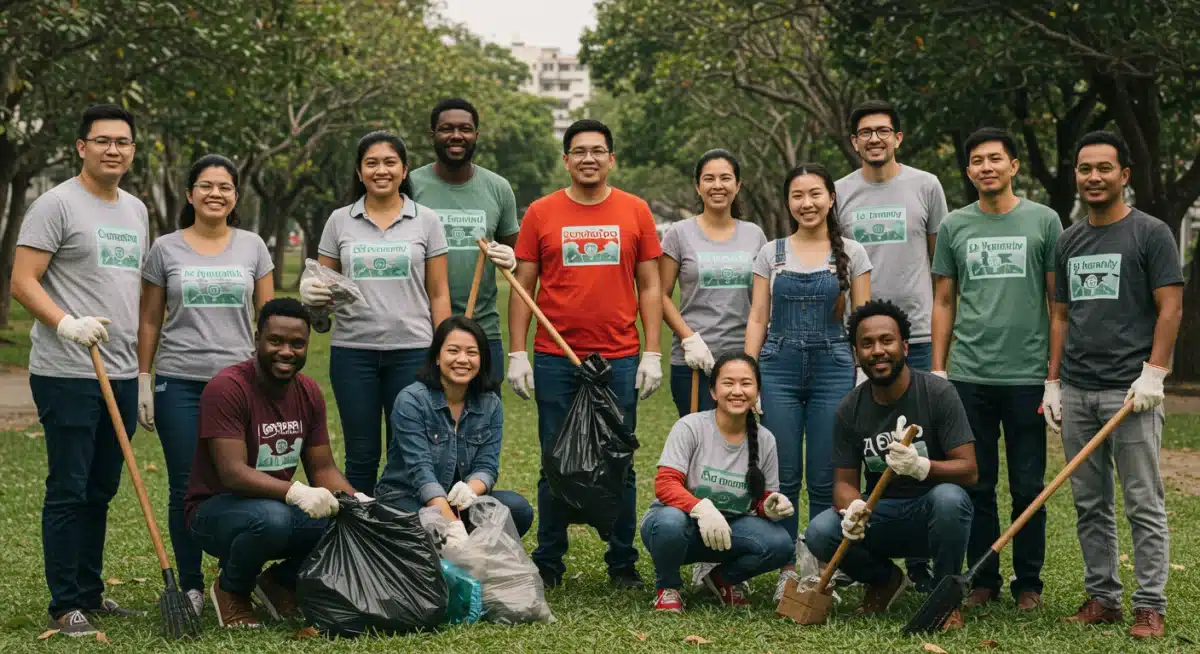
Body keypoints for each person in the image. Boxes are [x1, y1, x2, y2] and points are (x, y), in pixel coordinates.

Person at [507, 119, 664, 590]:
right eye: (579, 151)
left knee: (619, 457)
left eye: (598, 150)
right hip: (556, 357)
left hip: (618, 356)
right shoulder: (540, 212)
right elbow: (522, 286)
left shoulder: (635, 210)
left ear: (612, 159)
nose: (589, 158)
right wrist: (518, 352)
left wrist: (652, 351)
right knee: (554, 459)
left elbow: (652, 286)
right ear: (566, 160)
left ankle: (622, 563)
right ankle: (548, 563)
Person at [11, 104, 149, 636]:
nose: (113, 149)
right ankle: (64, 602)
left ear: (132, 150)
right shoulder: (55, 204)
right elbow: (23, 281)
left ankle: (90, 593)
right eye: (103, 141)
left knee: (101, 487)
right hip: (66, 370)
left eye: (123, 142)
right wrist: (66, 323)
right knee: (69, 487)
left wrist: (139, 373)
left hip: (115, 370)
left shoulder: (135, 210)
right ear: (81, 147)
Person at [1047, 131, 1182, 639]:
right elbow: (1060, 315)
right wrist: (1053, 382)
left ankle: (1150, 604)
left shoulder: (1151, 233)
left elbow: (1170, 307)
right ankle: (1103, 597)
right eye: (1085, 169)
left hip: (1131, 392)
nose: (1094, 178)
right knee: (1089, 501)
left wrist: (1154, 373)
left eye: (1105, 168)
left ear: (1124, 175)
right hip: (1078, 390)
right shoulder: (1068, 239)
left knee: (1143, 500)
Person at [135, 154, 275, 617]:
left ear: (236, 197)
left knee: (243, 482)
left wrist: (271, 383)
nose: (216, 194)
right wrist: (143, 377)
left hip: (239, 386)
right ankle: (193, 586)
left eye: (225, 187)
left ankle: (235, 580)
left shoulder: (253, 246)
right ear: (190, 193)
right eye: (206, 186)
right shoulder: (165, 249)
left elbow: (270, 322)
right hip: (180, 382)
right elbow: (151, 318)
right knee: (185, 486)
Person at [930, 128, 1062, 611]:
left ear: (1013, 166)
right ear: (968, 172)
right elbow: (943, 299)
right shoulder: (954, 226)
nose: (986, 167)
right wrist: (940, 370)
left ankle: (1029, 583)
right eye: (977, 161)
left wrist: (1054, 376)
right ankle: (982, 577)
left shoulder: (1044, 221)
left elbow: (1057, 302)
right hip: (968, 374)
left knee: (1029, 486)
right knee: (976, 481)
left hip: (1026, 375)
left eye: (995, 159)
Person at [185, 298, 365, 628]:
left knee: (347, 520)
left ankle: (279, 582)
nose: (286, 352)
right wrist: (297, 493)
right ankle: (231, 590)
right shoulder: (227, 388)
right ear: (257, 340)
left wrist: (358, 502)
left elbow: (323, 469)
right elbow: (233, 472)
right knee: (274, 519)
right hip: (214, 511)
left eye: (297, 344)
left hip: (274, 505)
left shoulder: (308, 391)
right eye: (276, 341)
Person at [804, 299, 977, 631]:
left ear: (906, 346)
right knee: (821, 531)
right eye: (867, 344)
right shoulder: (850, 408)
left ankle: (945, 600)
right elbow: (843, 481)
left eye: (887, 340)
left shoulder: (938, 394)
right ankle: (885, 581)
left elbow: (969, 469)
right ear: (856, 354)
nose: (878, 351)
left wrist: (922, 467)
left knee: (949, 500)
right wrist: (853, 506)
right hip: (882, 515)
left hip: (933, 516)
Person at [744, 163, 871, 600]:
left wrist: (860, 374)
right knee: (783, 474)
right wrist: (750, 372)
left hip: (834, 366)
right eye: (798, 196)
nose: (807, 203)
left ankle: (820, 570)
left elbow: (862, 321)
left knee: (824, 473)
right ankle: (785, 569)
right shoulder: (771, 253)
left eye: (815, 194)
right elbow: (758, 315)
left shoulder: (853, 253)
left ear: (831, 198)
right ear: (788, 203)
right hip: (777, 366)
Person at [835, 99, 948, 590]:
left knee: (924, 450)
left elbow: (940, 267)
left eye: (883, 130)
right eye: (865, 132)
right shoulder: (839, 192)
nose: (874, 139)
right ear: (854, 141)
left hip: (917, 338)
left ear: (898, 138)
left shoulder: (926, 185)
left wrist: (940, 354)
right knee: (871, 446)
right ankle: (865, 548)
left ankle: (924, 560)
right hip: (859, 344)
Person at [301, 130, 451, 493]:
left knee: (408, 451)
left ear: (404, 170)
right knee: (362, 453)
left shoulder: (426, 220)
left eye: (389, 162)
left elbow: (439, 292)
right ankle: (362, 537)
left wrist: (444, 351)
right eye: (371, 163)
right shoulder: (339, 221)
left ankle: (402, 534)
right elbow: (323, 293)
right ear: (359, 171)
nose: (380, 170)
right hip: (354, 352)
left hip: (413, 350)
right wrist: (311, 300)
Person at [641, 352, 794, 612]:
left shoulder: (765, 439)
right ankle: (668, 587)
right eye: (728, 383)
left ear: (757, 391)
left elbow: (760, 497)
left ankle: (721, 580)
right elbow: (666, 484)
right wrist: (701, 508)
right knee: (668, 522)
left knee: (781, 544)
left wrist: (769, 506)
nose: (737, 391)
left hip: (730, 532)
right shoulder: (690, 427)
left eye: (746, 383)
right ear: (713, 391)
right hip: (682, 528)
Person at [376, 315, 533, 538]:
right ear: (437, 357)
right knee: (427, 530)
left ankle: (462, 554)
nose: (462, 359)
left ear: (482, 360)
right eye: (453, 351)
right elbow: (421, 474)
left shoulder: (490, 404)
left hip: (457, 502)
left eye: (471, 352)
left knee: (516, 509)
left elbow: (487, 466)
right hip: (408, 499)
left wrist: (471, 490)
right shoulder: (411, 400)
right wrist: (452, 527)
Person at [410, 98, 520, 383]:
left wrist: (511, 257)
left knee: (483, 424)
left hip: (482, 332)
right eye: (446, 128)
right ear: (432, 135)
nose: (456, 136)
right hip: (422, 330)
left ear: (476, 135)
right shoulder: (409, 186)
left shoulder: (498, 188)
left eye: (465, 129)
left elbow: (518, 257)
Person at [660, 149, 767, 417]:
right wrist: (689, 339)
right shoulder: (679, 233)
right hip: (693, 362)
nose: (717, 185)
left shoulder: (754, 235)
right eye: (709, 179)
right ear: (698, 186)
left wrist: (754, 358)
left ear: (738, 185)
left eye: (725, 178)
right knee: (700, 443)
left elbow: (762, 303)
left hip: (742, 361)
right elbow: (659, 295)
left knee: (741, 445)